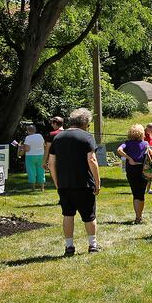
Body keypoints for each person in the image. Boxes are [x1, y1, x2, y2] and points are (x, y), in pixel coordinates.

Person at [47, 108, 101, 256]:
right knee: (89, 215)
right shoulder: (87, 137)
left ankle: (69, 247)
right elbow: (92, 160)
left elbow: (51, 163)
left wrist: (57, 183)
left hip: (64, 184)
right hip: (84, 183)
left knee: (68, 215)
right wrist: (98, 182)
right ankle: (93, 245)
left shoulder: (57, 138)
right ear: (85, 123)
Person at [116, 124, 150, 224]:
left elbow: (119, 150)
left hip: (131, 169)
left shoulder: (127, 143)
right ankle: (140, 216)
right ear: (142, 133)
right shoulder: (145, 143)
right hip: (143, 169)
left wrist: (129, 158)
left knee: (135, 193)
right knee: (141, 193)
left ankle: (137, 217)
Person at [21, 125, 45, 192]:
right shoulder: (40, 136)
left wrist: (22, 148)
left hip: (30, 156)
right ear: (35, 130)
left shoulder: (28, 138)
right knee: (41, 171)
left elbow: (27, 149)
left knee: (31, 171)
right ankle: (42, 188)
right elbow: (43, 145)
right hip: (41, 155)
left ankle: (33, 188)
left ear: (28, 131)